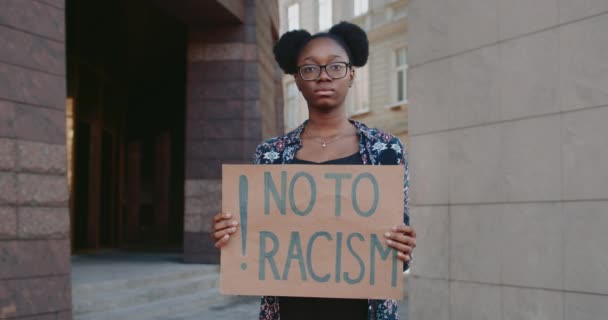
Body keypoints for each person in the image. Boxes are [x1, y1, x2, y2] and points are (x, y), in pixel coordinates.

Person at [211, 21, 416, 320]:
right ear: (296, 78)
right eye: (310, 69)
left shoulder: (387, 150)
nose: (323, 77)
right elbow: (257, 245)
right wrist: (229, 235)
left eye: (335, 67)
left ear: (351, 75)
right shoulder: (270, 154)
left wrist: (404, 248)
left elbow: (398, 252)